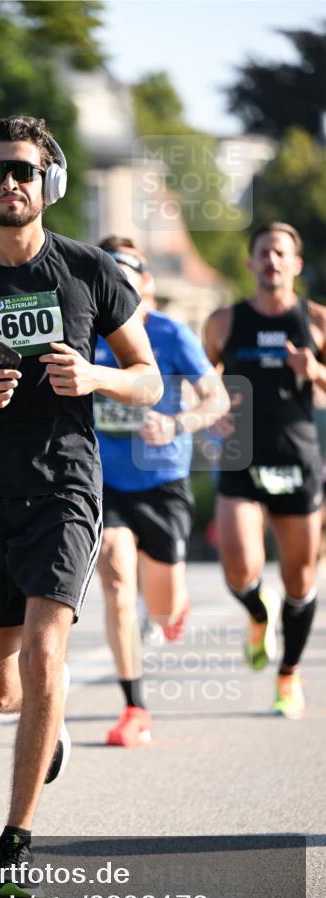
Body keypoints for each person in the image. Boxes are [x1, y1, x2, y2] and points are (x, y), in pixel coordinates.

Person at [0, 116, 161, 897]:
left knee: (46, 656)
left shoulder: (88, 271)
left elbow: (146, 376)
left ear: (50, 182)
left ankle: (15, 845)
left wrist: (98, 377)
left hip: (64, 484)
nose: (13, 184)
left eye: (26, 172)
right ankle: (48, 725)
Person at [94, 237, 229, 747]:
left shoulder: (170, 334)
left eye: (126, 277)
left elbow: (215, 399)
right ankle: (134, 707)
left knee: (163, 604)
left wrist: (176, 424)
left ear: (145, 284)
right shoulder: (85, 334)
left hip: (162, 480)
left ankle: (174, 608)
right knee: (115, 582)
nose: (117, 287)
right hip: (105, 482)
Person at [204, 222, 326, 719]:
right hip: (241, 456)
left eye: (281, 253)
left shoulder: (316, 321)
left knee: (299, 580)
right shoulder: (223, 322)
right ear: (251, 263)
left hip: (297, 458)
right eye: (263, 253)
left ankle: (288, 677)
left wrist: (314, 371)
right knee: (237, 562)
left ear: (295, 264)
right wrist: (210, 409)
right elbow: (200, 379)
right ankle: (258, 612)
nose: (272, 261)